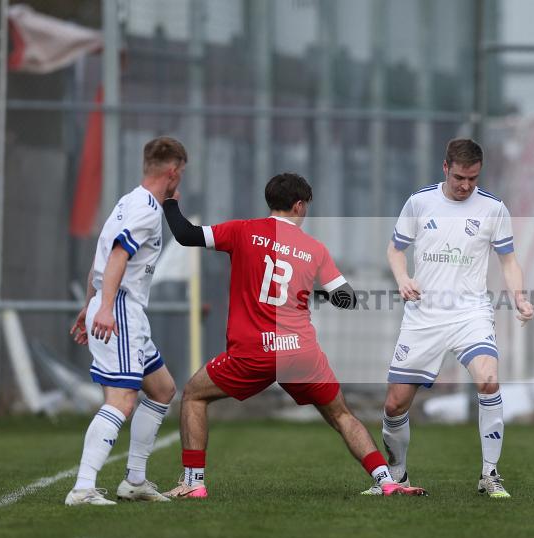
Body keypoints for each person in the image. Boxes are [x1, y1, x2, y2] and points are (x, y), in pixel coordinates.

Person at [160, 172, 425, 498]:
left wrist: (170, 201)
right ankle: (386, 481)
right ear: (299, 205)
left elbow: (186, 234)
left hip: (254, 351)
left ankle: (193, 483)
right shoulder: (314, 248)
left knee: (194, 395)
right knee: (342, 415)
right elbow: (348, 299)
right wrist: (311, 293)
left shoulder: (242, 230)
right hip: (301, 353)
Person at [365, 138, 534, 499]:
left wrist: (519, 296)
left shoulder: (493, 209)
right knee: (395, 404)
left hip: (470, 312)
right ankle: (397, 476)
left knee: (488, 381)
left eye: (473, 178)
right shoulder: (420, 202)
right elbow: (396, 250)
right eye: (459, 177)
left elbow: (508, 260)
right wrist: (403, 278)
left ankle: (490, 475)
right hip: (423, 315)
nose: (466, 186)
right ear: (445, 168)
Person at [65, 136, 187, 506]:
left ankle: (134, 480)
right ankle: (83, 488)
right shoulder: (146, 210)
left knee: (163, 389)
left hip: (122, 309)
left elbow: (98, 259)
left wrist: (90, 305)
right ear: (172, 170)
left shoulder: (130, 201)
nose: (181, 178)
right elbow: (117, 255)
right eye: (181, 172)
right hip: (119, 311)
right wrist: (102, 309)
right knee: (121, 400)